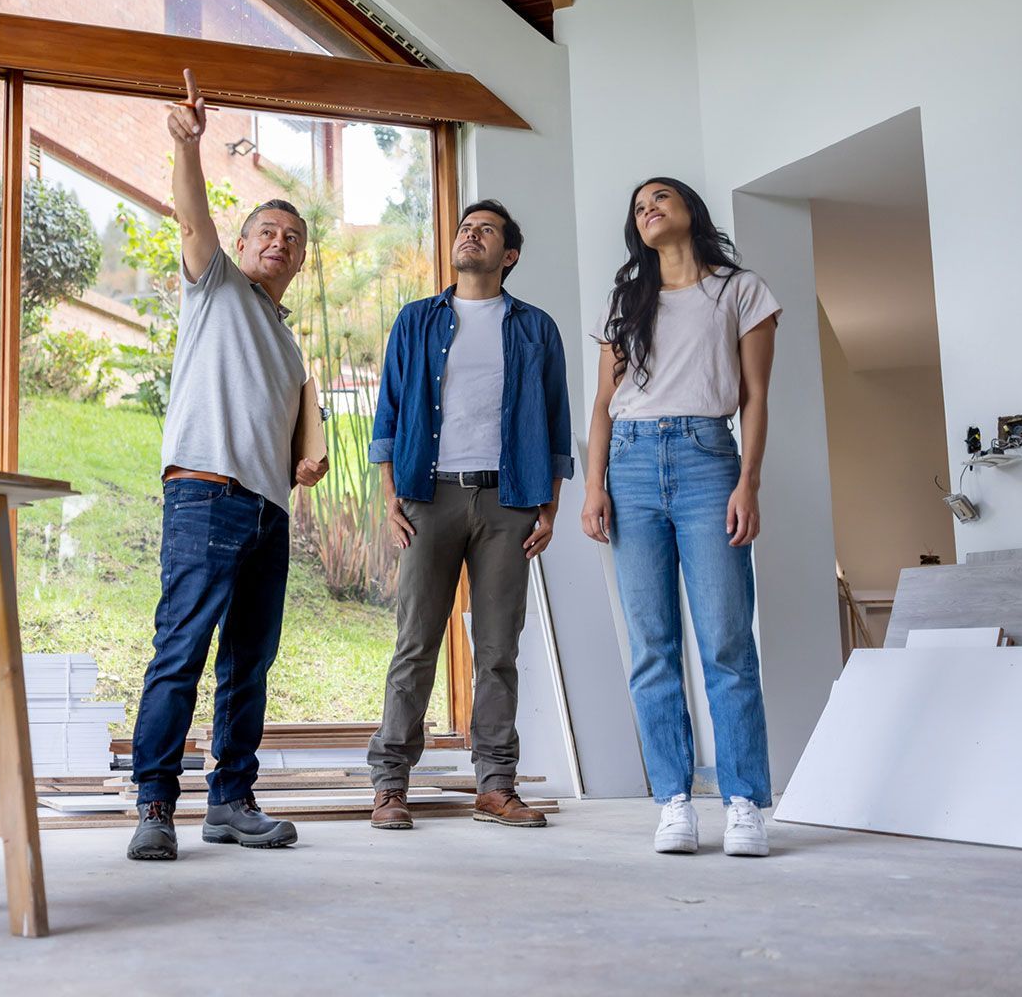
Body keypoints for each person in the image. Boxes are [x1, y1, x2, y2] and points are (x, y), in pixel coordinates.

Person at [127, 70, 329, 862]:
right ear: (242, 247)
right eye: (267, 233)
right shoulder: (214, 288)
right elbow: (191, 216)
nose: (279, 243)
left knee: (249, 664)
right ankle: (153, 805)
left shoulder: (285, 339)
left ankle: (231, 802)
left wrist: (306, 461)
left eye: (293, 239)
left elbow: (296, 428)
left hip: (266, 511)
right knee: (181, 651)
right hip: (205, 495)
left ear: (299, 261)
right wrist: (188, 145)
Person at [579, 177, 780, 857]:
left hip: (706, 460)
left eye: (660, 197)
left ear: (689, 209)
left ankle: (745, 800)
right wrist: (593, 487)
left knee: (726, 641)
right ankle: (673, 801)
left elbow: (754, 398)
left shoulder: (739, 291)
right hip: (631, 468)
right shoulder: (627, 301)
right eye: (638, 206)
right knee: (652, 646)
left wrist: (747, 482)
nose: (649, 209)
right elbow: (603, 405)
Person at [364, 201, 573, 831]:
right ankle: (391, 785)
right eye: (464, 227)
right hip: (431, 495)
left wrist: (550, 505)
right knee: (415, 644)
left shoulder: (536, 328)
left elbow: (557, 417)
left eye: (485, 231)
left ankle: (495, 784)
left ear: (508, 255)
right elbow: (391, 409)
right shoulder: (418, 320)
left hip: (509, 500)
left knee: (498, 649)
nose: (470, 234)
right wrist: (389, 494)